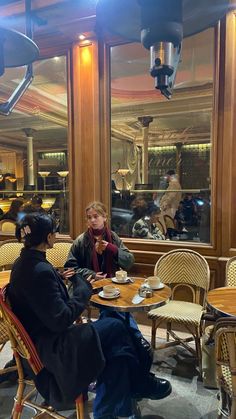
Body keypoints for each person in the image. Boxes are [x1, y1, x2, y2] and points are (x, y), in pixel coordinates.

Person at [6, 212, 172, 418]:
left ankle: (117, 404)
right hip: (54, 348)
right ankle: (139, 382)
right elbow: (61, 320)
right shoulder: (41, 269)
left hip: (43, 341)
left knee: (115, 351)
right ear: (48, 237)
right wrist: (83, 289)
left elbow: (43, 300)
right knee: (115, 326)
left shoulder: (23, 264)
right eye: (54, 232)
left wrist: (61, 278)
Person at [65, 201, 134, 280]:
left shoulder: (113, 237)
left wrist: (114, 249)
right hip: (88, 282)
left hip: (111, 282)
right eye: (89, 217)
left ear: (104, 217)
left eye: (96, 216)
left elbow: (129, 262)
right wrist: (92, 275)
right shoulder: (81, 240)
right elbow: (70, 269)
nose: (92, 220)